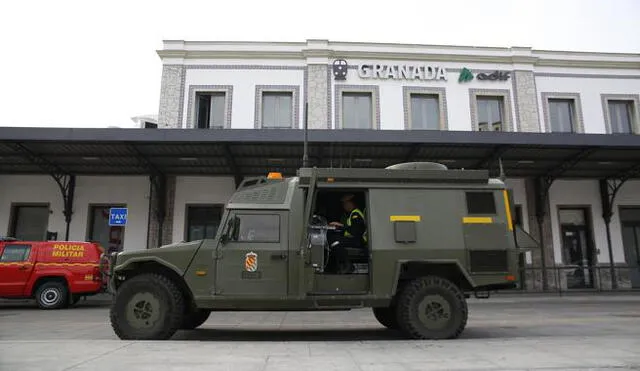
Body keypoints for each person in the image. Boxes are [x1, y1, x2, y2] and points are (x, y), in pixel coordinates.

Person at [327, 194, 367, 273]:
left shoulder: (356, 214)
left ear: (350, 203)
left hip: (357, 240)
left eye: (345, 204)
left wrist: (341, 226)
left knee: (335, 242)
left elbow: (355, 231)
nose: (344, 206)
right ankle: (337, 266)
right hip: (353, 239)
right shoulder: (351, 214)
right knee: (332, 238)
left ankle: (348, 265)